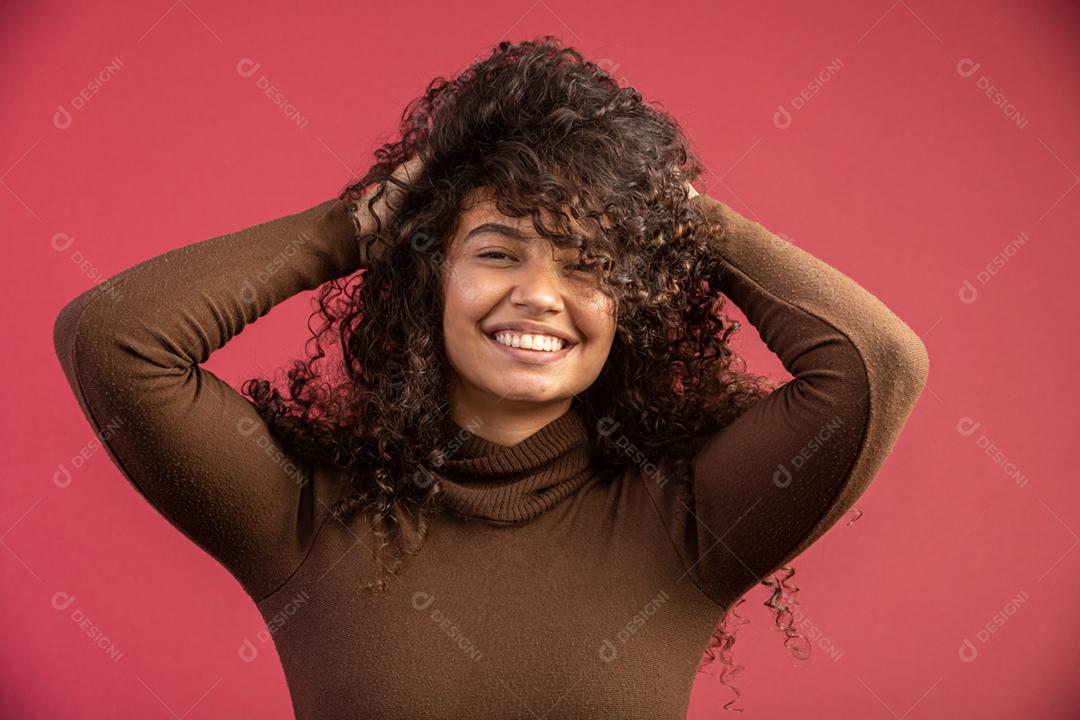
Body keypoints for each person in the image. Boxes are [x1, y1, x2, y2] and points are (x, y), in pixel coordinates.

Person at [53, 36, 928, 720]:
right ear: (427, 278)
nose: (540, 295)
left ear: (631, 303)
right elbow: (114, 339)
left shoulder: (685, 521)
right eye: (498, 253)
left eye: (588, 264)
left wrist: (681, 217)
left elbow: (875, 364)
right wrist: (356, 224)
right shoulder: (308, 518)